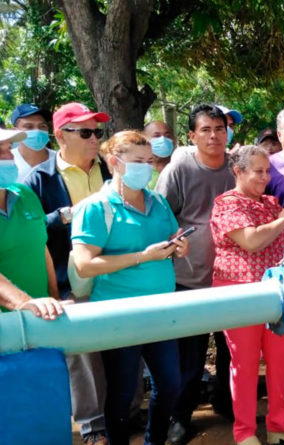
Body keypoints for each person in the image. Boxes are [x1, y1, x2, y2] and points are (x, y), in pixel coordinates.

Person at [70, 130, 188, 445]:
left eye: (149, 161)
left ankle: (155, 441)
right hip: (118, 313)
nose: (146, 167)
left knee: (170, 384)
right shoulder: (95, 208)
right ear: (114, 162)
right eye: (138, 161)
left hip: (161, 311)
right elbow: (84, 264)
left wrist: (180, 246)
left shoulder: (158, 201)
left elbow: (174, 235)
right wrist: (141, 257)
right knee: (122, 391)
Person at [210, 145, 284, 445]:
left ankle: (280, 421)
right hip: (239, 293)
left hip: (276, 291)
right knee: (245, 364)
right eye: (258, 171)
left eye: (268, 171)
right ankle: (244, 432)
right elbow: (251, 241)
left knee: (281, 359)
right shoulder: (226, 204)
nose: (265, 177)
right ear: (238, 171)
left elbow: (281, 239)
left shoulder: (268, 203)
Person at [24, 101, 112, 445]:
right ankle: (92, 424)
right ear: (61, 136)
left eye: (97, 132)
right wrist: (63, 216)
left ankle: (126, 412)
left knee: (120, 345)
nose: (95, 139)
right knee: (81, 355)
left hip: (115, 277)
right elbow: (31, 232)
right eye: (86, 132)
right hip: (67, 282)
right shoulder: (39, 179)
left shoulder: (108, 169)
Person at [156, 104, 236, 444]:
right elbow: (160, 217)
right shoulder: (178, 169)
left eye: (219, 128)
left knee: (231, 350)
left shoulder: (237, 167)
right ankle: (180, 416)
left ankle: (227, 403)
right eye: (205, 129)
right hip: (188, 279)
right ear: (192, 135)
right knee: (188, 358)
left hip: (232, 277)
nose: (214, 135)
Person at [0, 127, 64, 319]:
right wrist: (23, 302)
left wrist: (54, 297)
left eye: (9, 149)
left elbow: (41, 248)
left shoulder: (25, 194)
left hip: (43, 316)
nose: (9, 157)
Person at [9, 103, 57, 181]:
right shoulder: (6, 163)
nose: (37, 131)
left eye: (42, 126)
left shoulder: (60, 161)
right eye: (29, 127)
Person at [143, 121, 176, 189]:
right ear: (144, 140)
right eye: (156, 136)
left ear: (173, 139)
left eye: (168, 136)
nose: (163, 139)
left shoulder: (180, 168)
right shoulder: (139, 172)